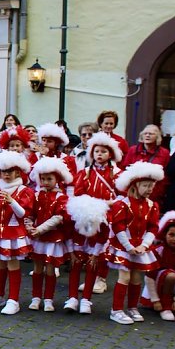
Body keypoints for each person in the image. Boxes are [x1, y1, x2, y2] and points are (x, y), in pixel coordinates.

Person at [66, 132, 123, 310]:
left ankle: (86, 299)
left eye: (104, 151)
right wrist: (88, 205)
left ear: (111, 154)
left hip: (104, 220)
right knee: (77, 261)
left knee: (94, 259)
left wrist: (107, 204)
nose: (99, 154)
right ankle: (73, 297)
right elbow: (77, 193)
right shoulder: (84, 173)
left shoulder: (117, 174)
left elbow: (120, 196)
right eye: (97, 151)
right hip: (84, 219)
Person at [106, 162, 164, 325]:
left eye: (151, 186)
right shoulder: (122, 204)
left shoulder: (152, 205)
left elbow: (153, 227)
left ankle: (132, 307)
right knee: (124, 276)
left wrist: (144, 246)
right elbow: (118, 226)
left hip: (141, 247)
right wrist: (129, 247)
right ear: (134, 185)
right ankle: (116, 310)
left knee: (137, 278)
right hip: (125, 247)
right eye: (145, 185)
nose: (149, 189)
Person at [0, 151, 34, 315]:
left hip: (13, 234)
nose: (7, 175)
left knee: (13, 265)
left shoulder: (24, 190)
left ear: (18, 172)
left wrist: (12, 201)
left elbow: (23, 214)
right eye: (4, 172)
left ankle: (13, 300)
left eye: (10, 171)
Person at [26, 157, 72, 312]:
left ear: (57, 179)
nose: (45, 182)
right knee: (37, 268)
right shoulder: (37, 195)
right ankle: (36, 297)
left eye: (49, 179)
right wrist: (29, 226)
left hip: (52, 238)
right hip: (38, 237)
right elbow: (30, 213)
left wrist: (40, 229)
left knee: (51, 269)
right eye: (43, 179)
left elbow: (59, 217)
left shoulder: (61, 197)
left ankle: (48, 299)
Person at [122, 124, 170, 205]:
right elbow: (125, 170)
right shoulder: (133, 150)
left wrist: (160, 192)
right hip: (134, 193)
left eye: (151, 134)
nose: (147, 135)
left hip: (154, 193)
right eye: (145, 133)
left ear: (157, 137)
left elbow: (166, 175)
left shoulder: (164, 153)